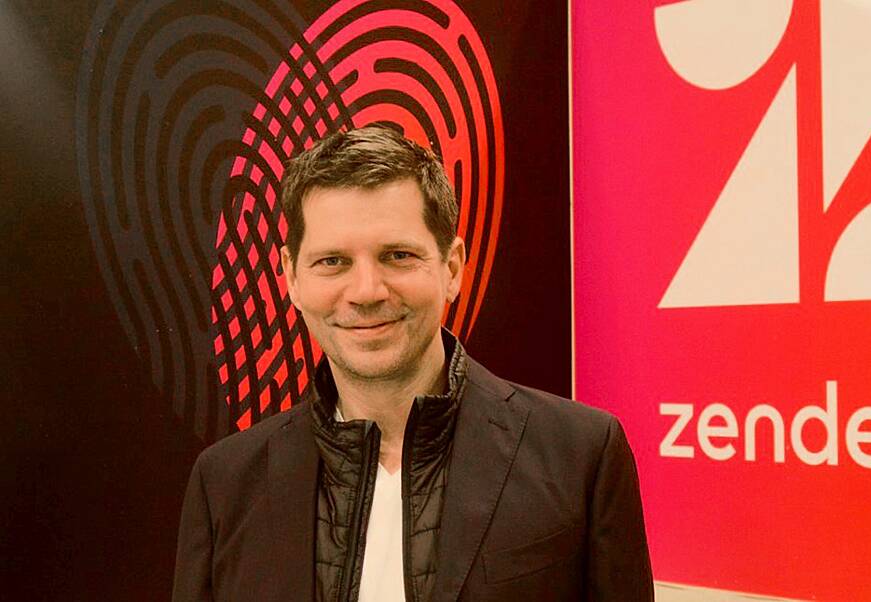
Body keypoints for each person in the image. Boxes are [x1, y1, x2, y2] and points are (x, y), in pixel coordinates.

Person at [172, 125, 653, 601]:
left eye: (398, 256)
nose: (366, 292)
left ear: (452, 268)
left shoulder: (581, 456)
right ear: (292, 278)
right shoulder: (225, 483)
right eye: (332, 262)